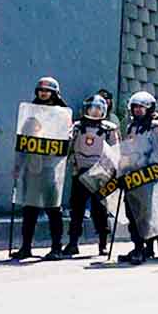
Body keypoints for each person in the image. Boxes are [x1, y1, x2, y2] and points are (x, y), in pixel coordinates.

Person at [12, 77, 70, 261]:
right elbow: (23, 142)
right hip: (32, 167)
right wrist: (18, 166)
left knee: (53, 210)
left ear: (54, 93)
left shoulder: (61, 115)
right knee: (29, 210)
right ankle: (26, 247)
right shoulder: (30, 115)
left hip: (50, 168)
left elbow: (65, 141)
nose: (43, 93)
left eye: (48, 90)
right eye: (41, 90)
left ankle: (56, 248)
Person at [63, 94, 119, 256]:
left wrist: (113, 172)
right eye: (91, 109)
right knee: (77, 210)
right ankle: (73, 242)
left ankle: (103, 243)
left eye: (98, 109)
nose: (94, 112)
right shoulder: (77, 127)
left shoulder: (109, 128)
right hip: (80, 172)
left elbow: (115, 151)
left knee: (100, 210)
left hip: (100, 174)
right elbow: (69, 147)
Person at [118, 91, 158, 265]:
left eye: (141, 107)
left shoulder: (156, 126)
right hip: (131, 174)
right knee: (131, 212)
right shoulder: (131, 127)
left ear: (149, 108)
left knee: (145, 213)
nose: (138, 110)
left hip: (147, 175)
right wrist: (123, 170)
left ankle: (146, 247)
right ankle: (137, 244)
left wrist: (147, 167)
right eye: (135, 107)